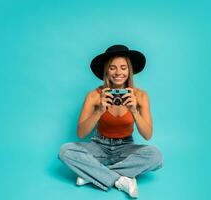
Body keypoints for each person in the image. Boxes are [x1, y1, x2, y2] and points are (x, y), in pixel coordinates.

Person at [58, 44, 163, 198]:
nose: (118, 72)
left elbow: (147, 135)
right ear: (106, 70)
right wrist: (99, 111)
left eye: (123, 67)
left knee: (156, 156)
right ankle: (122, 179)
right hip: (99, 146)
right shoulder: (94, 96)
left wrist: (134, 110)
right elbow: (81, 133)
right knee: (65, 151)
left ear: (129, 71)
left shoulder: (140, 96)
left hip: (126, 148)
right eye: (113, 67)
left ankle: (92, 174)